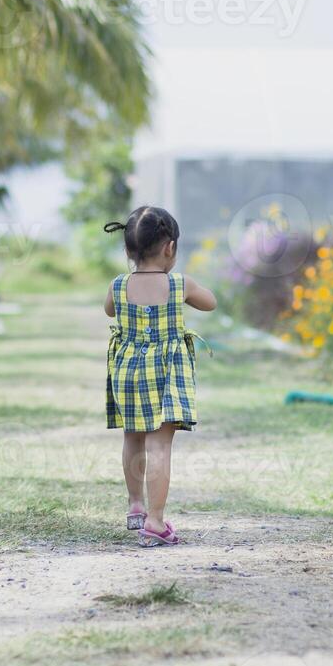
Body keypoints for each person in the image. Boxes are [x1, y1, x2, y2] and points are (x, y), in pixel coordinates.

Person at [103, 206, 216, 547]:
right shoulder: (180, 284)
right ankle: (155, 521)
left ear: (128, 251)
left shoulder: (119, 285)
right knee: (159, 445)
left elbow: (109, 309)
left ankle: (135, 504)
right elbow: (210, 303)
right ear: (170, 248)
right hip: (165, 375)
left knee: (132, 438)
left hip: (127, 372)